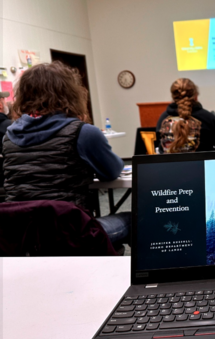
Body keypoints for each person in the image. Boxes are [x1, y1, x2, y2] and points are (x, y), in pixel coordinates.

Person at [1, 61, 130, 246]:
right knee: (135, 218)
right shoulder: (82, 132)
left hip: (22, 236)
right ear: (69, 92)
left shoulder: (9, 136)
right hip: (72, 234)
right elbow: (112, 171)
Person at [156, 78, 215, 153]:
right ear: (196, 96)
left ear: (173, 97)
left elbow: (159, 147)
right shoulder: (208, 118)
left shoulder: (162, 119)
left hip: (169, 167)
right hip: (203, 166)